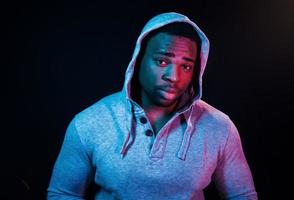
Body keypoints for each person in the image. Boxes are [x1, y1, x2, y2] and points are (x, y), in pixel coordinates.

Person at [47, 12, 257, 199]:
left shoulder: (220, 127)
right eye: (162, 61)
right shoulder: (90, 123)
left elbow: (242, 195)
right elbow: (63, 194)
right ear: (137, 61)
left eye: (186, 66)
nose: (173, 77)